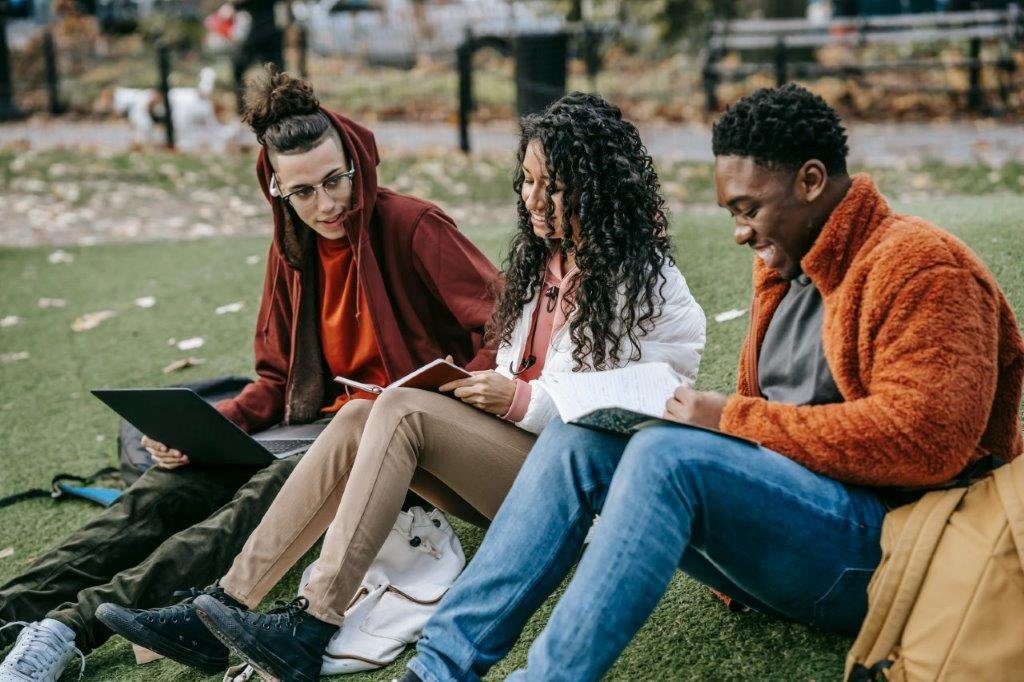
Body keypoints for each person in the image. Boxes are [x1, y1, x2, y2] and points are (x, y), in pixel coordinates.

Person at [396, 83, 1024, 682]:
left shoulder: (923, 269)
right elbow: (765, 426)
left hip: (894, 555)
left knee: (668, 457)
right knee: (576, 440)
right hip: (795, 538)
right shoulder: (785, 267)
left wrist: (726, 420)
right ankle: (437, 669)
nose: (739, 232)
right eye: (732, 212)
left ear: (810, 182)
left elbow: (927, 443)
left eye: (749, 209)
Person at [97, 91, 707, 681]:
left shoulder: (645, 280)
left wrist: (521, 400)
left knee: (400, 410)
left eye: (554, 186)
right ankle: (229, 603)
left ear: (598, 187)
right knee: (357, 415)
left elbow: (651, 397)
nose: (533, 199)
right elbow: (513, 360)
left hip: (584, 497)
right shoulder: (542, 260)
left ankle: (311, 623)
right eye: (526, 180)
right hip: (520, 469)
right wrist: (484, 386)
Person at [0, 66, 499, 681]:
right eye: (303, 192)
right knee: (166, 490)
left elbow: (504, 328)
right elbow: (274, 381)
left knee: (255, 500)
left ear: (356, 162)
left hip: (395, 444)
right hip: (313, 428)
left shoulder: (414, 226)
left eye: (335, 180)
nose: (327, 204)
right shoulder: (292, 251)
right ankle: (8, 611)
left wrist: (448, 392)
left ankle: (69, 629)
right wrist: (208, 429)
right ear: (277, 190)